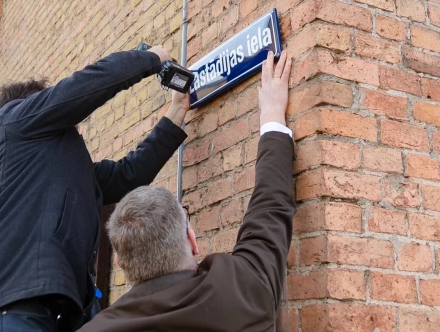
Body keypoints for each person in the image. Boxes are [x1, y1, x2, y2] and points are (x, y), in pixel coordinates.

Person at [0, 47, 190, 332]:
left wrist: (177, 110)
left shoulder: (67, 172)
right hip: (3, 309)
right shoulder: (12, 121)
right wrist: (152, 57)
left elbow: (129, 174)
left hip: (41, 315)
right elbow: (84, 86)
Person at [79, 51, 295, 332]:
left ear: (120, 263)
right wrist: (272, 113)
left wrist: (176, 114)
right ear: (191, 241)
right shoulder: (240, 289)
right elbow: (271, 208)